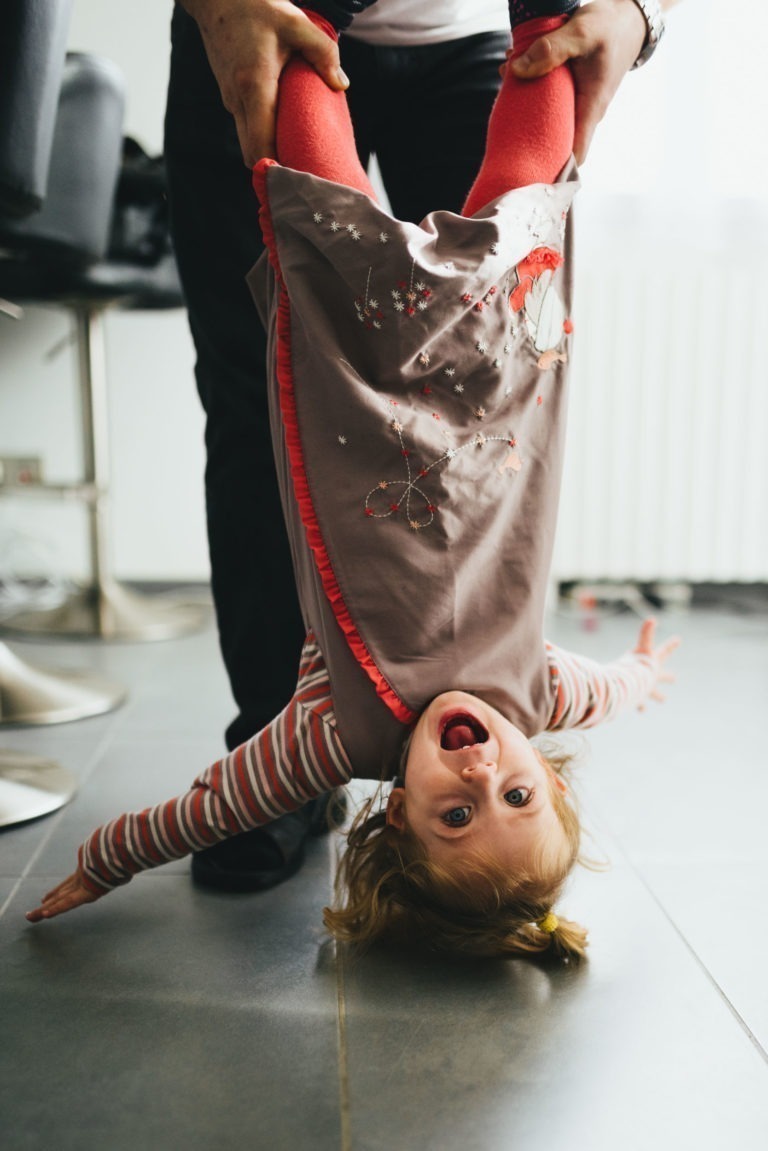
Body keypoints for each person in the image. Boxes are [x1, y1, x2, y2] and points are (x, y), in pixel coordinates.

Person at [27, 3, 679, 961]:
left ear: (395, 818)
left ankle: (310, 10)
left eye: (455, 813)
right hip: (490, 390)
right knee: (523, 202)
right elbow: (604, 689)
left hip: (342, 394)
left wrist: (103, 861)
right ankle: (546, 6)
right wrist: (641, 674)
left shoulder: (333, 737)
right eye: (515, 792)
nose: (478, 765)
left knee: (312, 212)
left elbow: (202, 808)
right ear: (550, 775)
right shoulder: (532, 695)